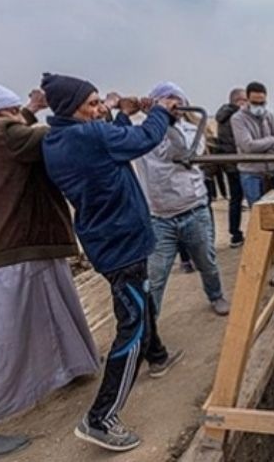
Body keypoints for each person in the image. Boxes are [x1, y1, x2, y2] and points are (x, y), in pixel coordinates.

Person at [0, 78, 99, 461]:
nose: (17, 119)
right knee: (4, 347)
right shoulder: (3, 135)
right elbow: (49, 139)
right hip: (9, 251)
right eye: (11, 113)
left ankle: (75, 368)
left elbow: (4, 132)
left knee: (59, 307)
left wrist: (28, 108)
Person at [41, 73, 184, 452]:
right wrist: (161, 113)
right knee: (132, 325)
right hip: (123, 245)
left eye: (100, 100)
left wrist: (121, 114)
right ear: (72, 109)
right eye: (92, 103)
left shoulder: (59, 139)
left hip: (108, 240)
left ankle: (158, 355)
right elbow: (143, 140)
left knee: (143, 298)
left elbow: (109, 148)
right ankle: (100, 417)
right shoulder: (90, 137)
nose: (100, 107)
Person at [134, 82, 230, 316]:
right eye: (166, 100)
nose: (173, 105)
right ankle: (149, 327)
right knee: (155, 277)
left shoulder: (190, 131)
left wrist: (164, 120)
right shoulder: (141, 132)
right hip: (159, 217)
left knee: (207, 262)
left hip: (193, 210)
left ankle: (216, 295)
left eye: (176, 100)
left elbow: (180, 152)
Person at [231, 81, 274, 207]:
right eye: (255, 103)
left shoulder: (270, 116)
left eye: (262, 103)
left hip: (273, 171)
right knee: (257, 213)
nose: (259, 106)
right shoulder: (238, 119)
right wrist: (271, 140)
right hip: (251, 173)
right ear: (247, 100)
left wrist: (265, 145)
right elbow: (248, 146)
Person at [215, 88, 248, 247]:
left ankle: (235, 234)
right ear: (238, 101)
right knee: (248, 198)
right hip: (241, 163)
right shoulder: (236, 117)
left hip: (230, 165)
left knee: (235, 200)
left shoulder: (222, 117)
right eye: (245, 100)